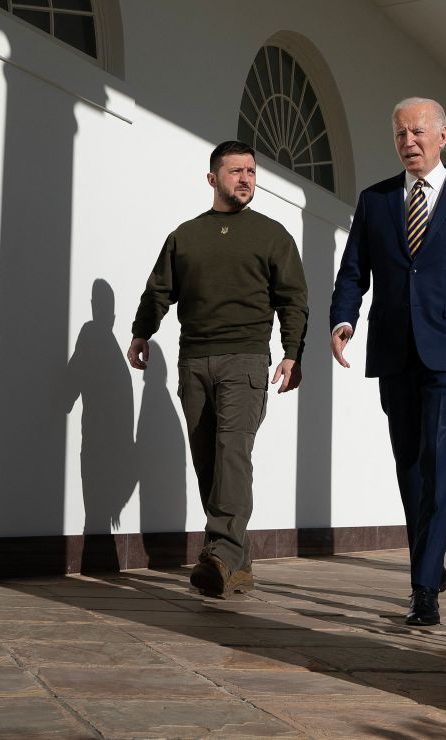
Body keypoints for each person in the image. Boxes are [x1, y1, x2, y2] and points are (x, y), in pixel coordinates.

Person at [329, 98, 446, 626]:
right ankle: (431, 560)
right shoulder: (376, 200)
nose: (408, 142)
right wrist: (343, 319)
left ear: (441, 135)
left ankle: (423, 588)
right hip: (393, 349)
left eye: (417, 132)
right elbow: (353, 271)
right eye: (399, 135)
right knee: (409, 466)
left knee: (439, 460)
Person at [128, 140, 308, 598]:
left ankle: (221, 555)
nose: (246, 178)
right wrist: (141, 332)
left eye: (251, 171)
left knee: (232, 454)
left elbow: (293, 299)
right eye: (235, 171)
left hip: (246, 359)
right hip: (194, 361)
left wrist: (291, 352)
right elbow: (159, 290)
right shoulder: (185, 236)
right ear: (213, 179)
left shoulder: (272, 235)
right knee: (208, 460)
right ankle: (237, 564)